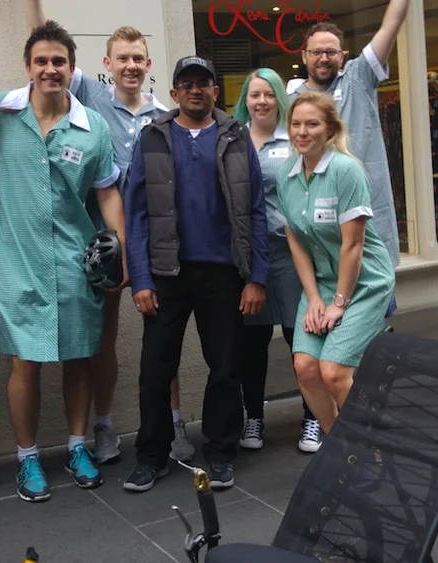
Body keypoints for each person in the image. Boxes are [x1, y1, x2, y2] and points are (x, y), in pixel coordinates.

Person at [11, 0, 191, 466]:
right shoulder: (87, 97)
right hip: (106, 243)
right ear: (106, 64)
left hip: (160, 240)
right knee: (104, 340)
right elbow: (45, 48)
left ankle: (176, 425)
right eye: (122, 58)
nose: (131, 65)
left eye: (139, 57)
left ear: (149, 62)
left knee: (164, 339)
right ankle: (106, 427)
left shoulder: (168, 116)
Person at [0, 20, 128, 502]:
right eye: (41, 61)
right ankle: (27, 458)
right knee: (25, 362)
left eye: (59, 62)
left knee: (79, 358)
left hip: (74, 261)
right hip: (15, 262)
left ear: (72, 68)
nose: (50, 69)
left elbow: (107, 193)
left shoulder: (93, 128)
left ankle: (76, 446)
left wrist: (119, 251)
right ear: (27, 67)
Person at [123, 56, 269, 493]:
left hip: (224, 273)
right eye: (185, 84)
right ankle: (152, 455)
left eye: (203, 83)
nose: (195, 90)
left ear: (214, 91)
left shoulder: (236, 137)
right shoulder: (152, 138)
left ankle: (221, 452)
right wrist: (142, 280)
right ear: (173, 93)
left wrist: (256, 276)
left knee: (226, 367)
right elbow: (135, 216)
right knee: (154, 370)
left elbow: (256, 209)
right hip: (166, 274)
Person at [287, 0, 431, 272]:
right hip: (318, 217)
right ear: (304, 55)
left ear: (343, 55)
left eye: (331, 52)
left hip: (364, 211)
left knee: (374, 302)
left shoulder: (358, 78)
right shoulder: (290, 97)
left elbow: (390, 25)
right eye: (317, 51)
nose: (324, 58)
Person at [277, 92, 396, 433]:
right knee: (305, 368)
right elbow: (296, 243)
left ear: (329, 130)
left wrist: (339, 303)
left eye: (312, 124)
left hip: (364, 282)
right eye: (296, 124)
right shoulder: (287, 175)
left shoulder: (346, 170)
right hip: (323, 282)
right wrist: (314, 298)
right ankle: (336, 448)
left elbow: (353, 245)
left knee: (333, 371)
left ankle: (367, 444)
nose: (302, 131)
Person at [230, 68, 321, 454]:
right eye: (255, 95)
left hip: (292, 254)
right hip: (249, 257)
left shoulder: (295, 136)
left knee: (300, 336)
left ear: (280, 98)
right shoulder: (233, 139)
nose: (262, 101)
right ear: (245, 100)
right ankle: (253, 418)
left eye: (269, 94)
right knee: (252, 343)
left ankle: (314, 416)